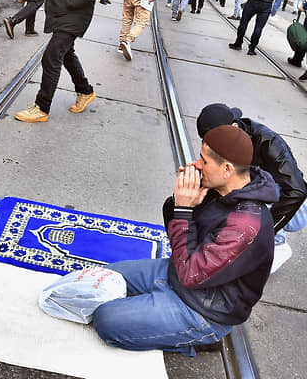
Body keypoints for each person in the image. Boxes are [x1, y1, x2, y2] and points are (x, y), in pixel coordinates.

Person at [93, 125, 277, 355]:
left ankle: (198, 339)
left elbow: (192, 275)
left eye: (204, 161)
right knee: (102, 278)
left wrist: (183, 210)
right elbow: (180, 241)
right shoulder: (221, 190)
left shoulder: (245, 224)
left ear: (227, 169)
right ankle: (158, 304)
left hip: (204, 309)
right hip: (177, 273)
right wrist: (182, 200)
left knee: (106, 321)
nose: (196, 165)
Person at [196, 103, 307, 273]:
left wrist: (264, 232)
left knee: (246, 190)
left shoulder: (269, 143)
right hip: (259, 191)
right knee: (229, 183)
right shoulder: (227, 139)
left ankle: (278, 244)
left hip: (294, 206)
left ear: (234, 127)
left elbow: (297, 191)